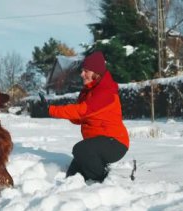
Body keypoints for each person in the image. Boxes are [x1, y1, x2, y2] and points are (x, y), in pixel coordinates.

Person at [39, 51, 129, 182]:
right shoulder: (88, 92)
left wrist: (51, 110)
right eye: (82, 70)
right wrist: (52, 110)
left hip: (115, 143)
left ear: (96, 72)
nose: (82, 74)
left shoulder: (106, 92)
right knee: (72, 176)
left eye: (86, 71)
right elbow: (79, 118)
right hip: (96, 144)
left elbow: (82, 111)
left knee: (80, 150)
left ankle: (103, 180)